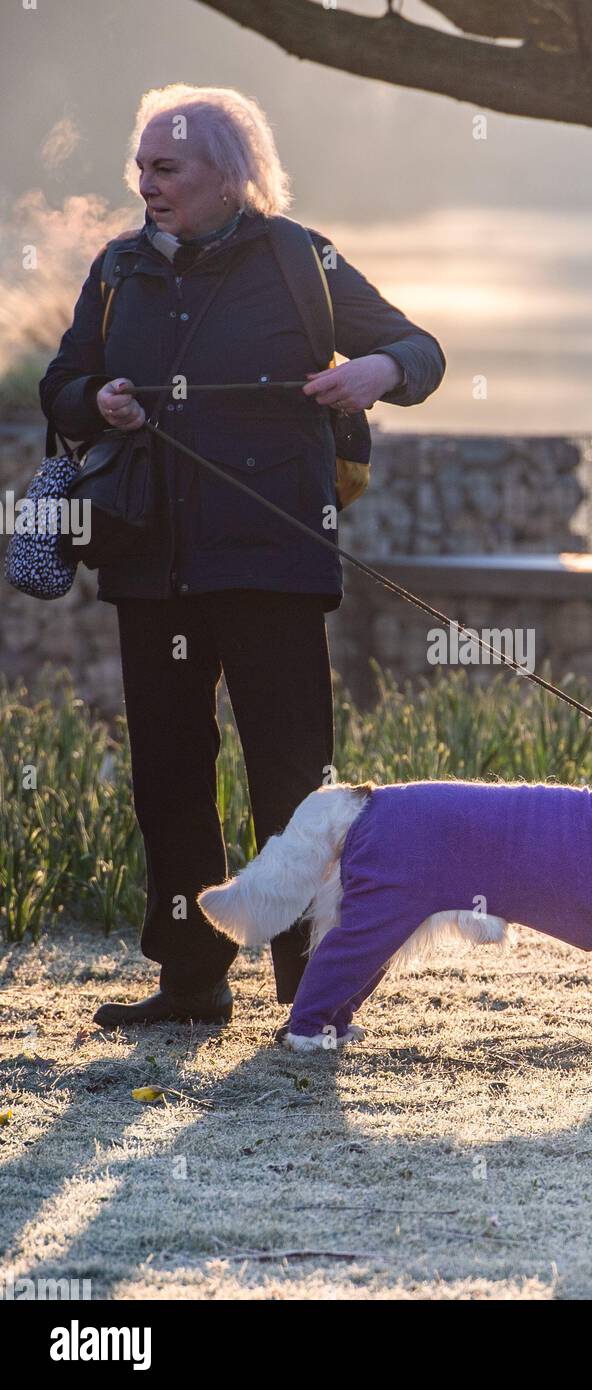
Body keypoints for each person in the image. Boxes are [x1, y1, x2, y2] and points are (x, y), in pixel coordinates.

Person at [39, 83, 445, 1027]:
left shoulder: (304, 257)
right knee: (168, 779)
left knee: (293, 784)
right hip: (153, 568)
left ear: (229, 175)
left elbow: (418, 349)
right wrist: (97, 400)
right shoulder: (117, 269)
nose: (146, 183)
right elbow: (62, 385)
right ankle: (190, 983)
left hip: (274, 565)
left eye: (166, 167)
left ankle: (312, 991)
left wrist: (373, 373)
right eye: (140, 167)